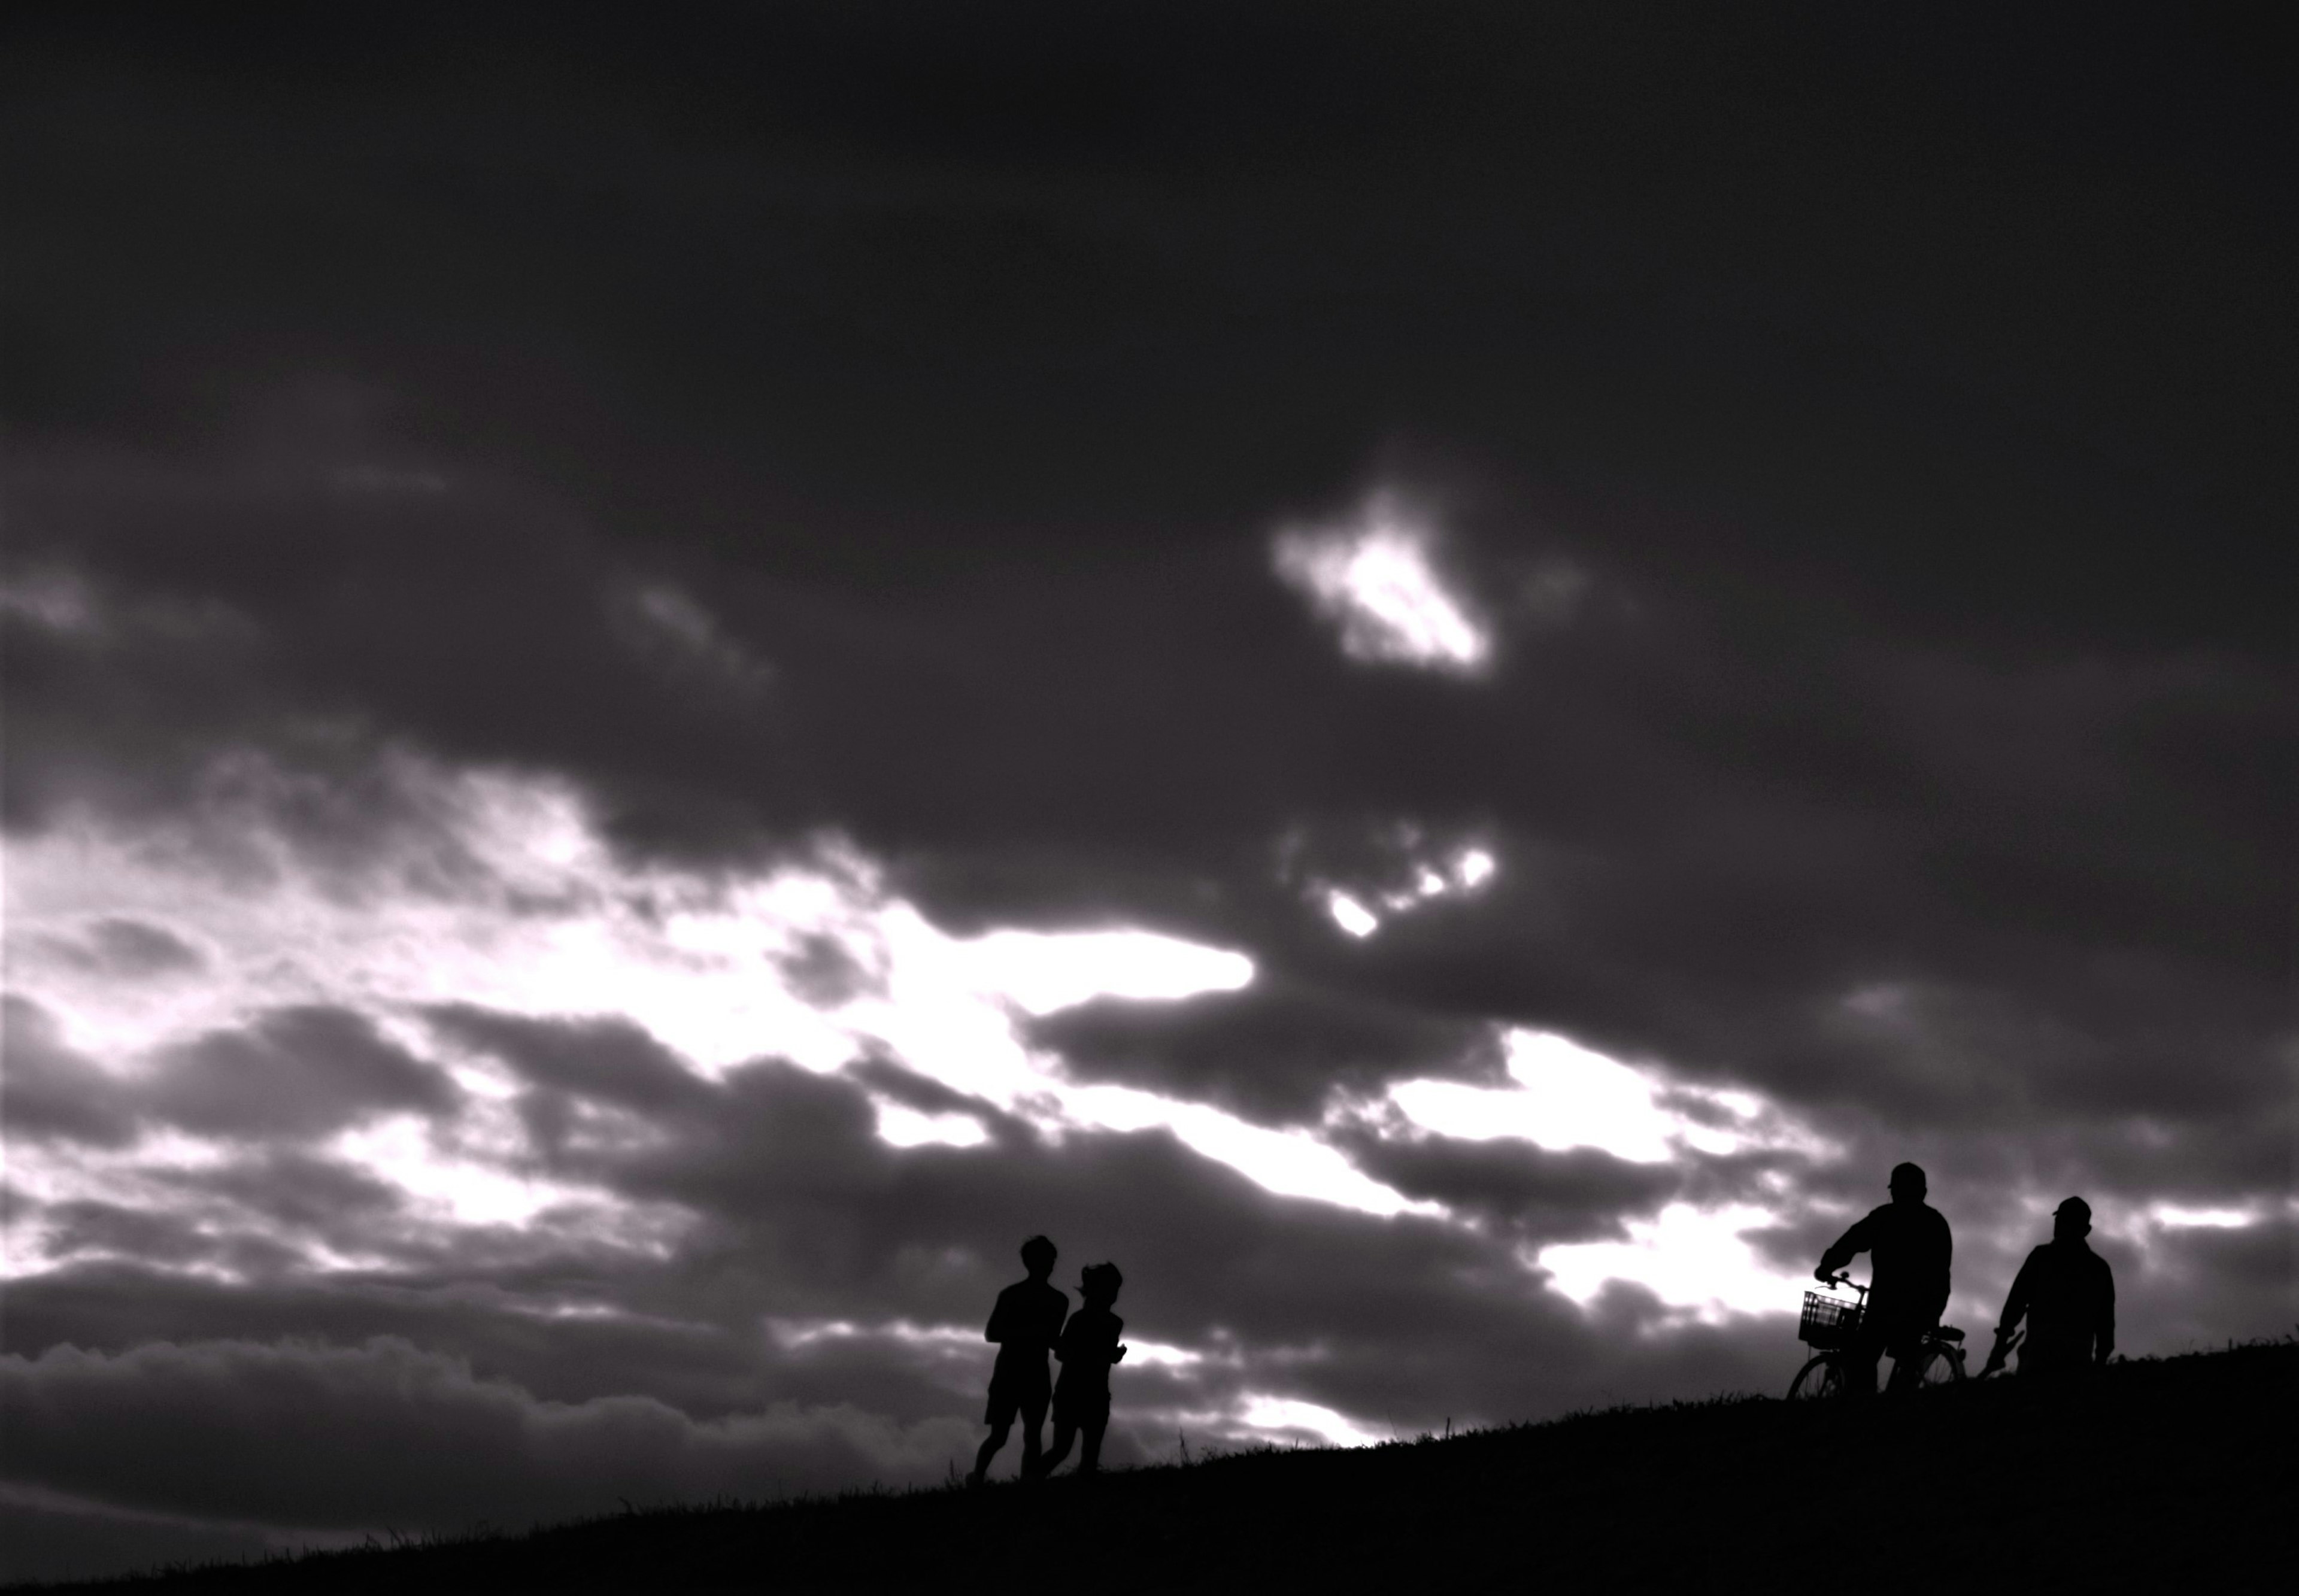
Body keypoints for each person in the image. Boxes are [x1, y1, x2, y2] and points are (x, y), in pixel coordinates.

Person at [1815, 1161, 1952, 1395]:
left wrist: (1827, 1266)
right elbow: (1942, 1272)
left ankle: (1866, 1412)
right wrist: (1935, 1310)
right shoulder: (1936, 1223)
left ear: (1894, 1190)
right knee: (1906, 1362)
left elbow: (1851, 1241)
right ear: (1923, 1192)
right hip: (1924, 1307)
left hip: (1885, 1305)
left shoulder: (1885, 1218)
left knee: (1863, 1358)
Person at [969, 1234, 1067, 1485]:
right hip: (1010, 1373)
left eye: (1051, 1260)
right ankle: (978, 1477)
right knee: (1000, 1436)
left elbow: (1053, 1338)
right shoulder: (1013, 1295)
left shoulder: (1058, 1300)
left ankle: (1027, 1483)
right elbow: (992, 1334)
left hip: (1034, 1373)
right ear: (1030, 1262)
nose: (1049, 1265)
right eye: (1045, 1259)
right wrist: (1032, 1333)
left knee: (1032, 1435)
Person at [1988, 1197, 2114, 1377]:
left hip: (2038, 1358)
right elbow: (2106, 1323)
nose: (2057, 1225)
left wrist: (1999, 1347)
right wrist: (2099, 1363)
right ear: (2086, 1230)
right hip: (2078, 1362)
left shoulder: (2041, 1257)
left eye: (2060, 1221)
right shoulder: (2099, 1268)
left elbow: (2015, 1305)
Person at [1035, 1262, 1127, 1478]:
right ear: (1095, 1290)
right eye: (1110, 1289)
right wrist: (1103, 1356)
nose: (1113, 1295)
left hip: (1096, 1394)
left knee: (1089, 1456)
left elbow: (1082, 1353)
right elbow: (1063, 1353)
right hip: (1072, 1392)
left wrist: (1111, 1356)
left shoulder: (1115, 1323)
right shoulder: (1080, 1320)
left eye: (1115, 1289)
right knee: (1062, 1449)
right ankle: (1030, 1481)